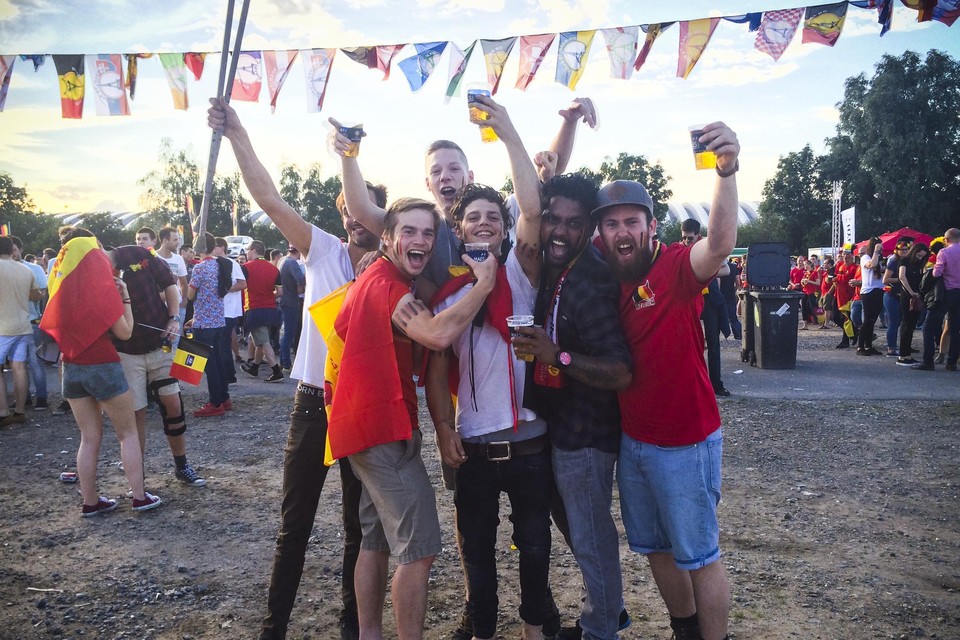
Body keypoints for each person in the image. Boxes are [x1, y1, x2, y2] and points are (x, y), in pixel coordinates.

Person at [209, 97, 387, 640]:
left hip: (365, 410)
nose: (357, 219)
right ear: (342, 213)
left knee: (359, 530)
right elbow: (268, 197)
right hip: (315, 402)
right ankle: (273, 629)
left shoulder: (398, 266)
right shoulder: (322, 251)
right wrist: (239, 134)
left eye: (368, 210)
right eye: (350, 210)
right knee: (295, 527)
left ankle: (351, 628)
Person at [593, 121, 740, 640]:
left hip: (686, 442)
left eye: (632, 221)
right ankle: (685, 629)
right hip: (633, 442)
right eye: (612, 225)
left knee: (700, 554)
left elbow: (720, 243)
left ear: (652, 227)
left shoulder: (677, 267)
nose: (622, 232)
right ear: (600, 234)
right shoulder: (605, 279)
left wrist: (725, 169)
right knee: (654, 548)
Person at [326, 197, 497, 640]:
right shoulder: (387, 286)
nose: (419, 240)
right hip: (382, 429)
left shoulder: (379, 277)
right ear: (388, 238)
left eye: (427, 233)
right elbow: (438, 333)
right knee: (418, 552)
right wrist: (483, 285)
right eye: (409, 231)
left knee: (375, 538)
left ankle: (369, 634)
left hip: (361, 427)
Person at [508, 173, 633, 640]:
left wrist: (554, 355)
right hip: (562, 430)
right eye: (552, 220)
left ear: (589, 229)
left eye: (573, 223)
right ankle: (606, 613)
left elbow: (620, 370)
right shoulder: (562, 273)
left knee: (592, 538)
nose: (560, 231)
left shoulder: (588, 282)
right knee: (581, 533)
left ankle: (602, 628)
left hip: (587, 437)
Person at [38, 229, 161, 515]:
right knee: (127, 433)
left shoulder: (60, 292)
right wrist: (126, 297)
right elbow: (125, 332)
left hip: (71, 366)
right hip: (103, 364)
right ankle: (140, 496)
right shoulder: (101, 291)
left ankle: (90, 502)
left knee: (88, 437)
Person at [106, 241, 205, 486]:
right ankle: (137, 476)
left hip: (160, 343)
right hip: (126, 352)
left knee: (172, 403)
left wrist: (174, 318)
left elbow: (170, 285)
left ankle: (182, 465)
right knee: (136, 413)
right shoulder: (91, 272)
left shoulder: (137, 254)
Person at [681, 219, 731, 396]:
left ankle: (716, 384)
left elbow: (726, 270)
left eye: (690, 238)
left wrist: (703, 270)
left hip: (709, 301)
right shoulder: (680, 251)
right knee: (688, 345)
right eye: (684, 238)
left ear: (698, 236)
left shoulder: (705, 250)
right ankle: (691, 384)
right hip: (689, 301)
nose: (687, 241)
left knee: (713, 345)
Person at [187, 232, 233, 417]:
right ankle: (224, 397)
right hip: (219, 320)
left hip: (203, 323)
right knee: (219, 361)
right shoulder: (220, 265)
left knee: (209, 364)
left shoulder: (200, 268)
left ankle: (215, 402)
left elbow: (190, 295)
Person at [0, 235, 40, 427]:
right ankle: (20, 411)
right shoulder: (25, 269)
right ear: (11, 250)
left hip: (2, 328)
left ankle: (3, 411)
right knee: (19, 368)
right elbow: (36, 295)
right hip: (23, 326)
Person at [9, 236, 49, 410]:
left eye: (14, 250)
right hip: (9, 324)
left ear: (21, 250)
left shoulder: (33, 268)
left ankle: (41, 397)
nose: (11, 254)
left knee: (35, 362)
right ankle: (23, 398)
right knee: (17, 364)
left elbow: (42, 292)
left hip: (31, 321)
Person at [914, 228, 960, 371]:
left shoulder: (944, 252)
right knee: (955, 328)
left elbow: (937, 272)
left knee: (929, 326)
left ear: (946, 240)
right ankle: (952, 362)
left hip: (946, 293)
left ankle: (928, 362)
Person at [239, 240, 284, 383]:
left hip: (254, 309)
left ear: (253, 250)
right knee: (258, 339)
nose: (246, 253)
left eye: (247, 250)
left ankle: (276, 370)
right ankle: (255, 367)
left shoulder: (245, 268)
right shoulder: (273, 269)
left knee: (263, 341)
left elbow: (240, 286)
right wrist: (269, 297)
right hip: (271, 309)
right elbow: (280, 291)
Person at [896, 243, 930, 367]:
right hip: (907, 296)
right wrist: (911, 292)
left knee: (911, 326)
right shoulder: (904, 261)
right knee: (906, 324)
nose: (920, 258)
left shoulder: (919, 264)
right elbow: (901, 276)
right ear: (914, 252)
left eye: (922, 257)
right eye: (919, 255)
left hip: (916, 295)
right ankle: (903, 355)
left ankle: (907, 354)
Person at [156, 226, 190, 345]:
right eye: (175, 240)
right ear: (165, 240)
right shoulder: (153, 257)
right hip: (159, 307)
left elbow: (183, 282)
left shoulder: (178, 259)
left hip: (177, 307)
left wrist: (184, 300)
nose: (178, 243)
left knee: (174, 341)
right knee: (161, 339)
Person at [882, 237, 913, 357]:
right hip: (892, 295)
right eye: (902, 250)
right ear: (897, 250)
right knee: (893, 323)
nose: (904, 252)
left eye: (906, 249)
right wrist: (900, 279)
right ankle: (891, 348)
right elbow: (886, 279)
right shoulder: (893, 262)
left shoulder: (908, 262)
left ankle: (902, 346)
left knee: (902, 322)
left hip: (903, 295)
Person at [278, 244, 305, 371]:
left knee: (286, 332)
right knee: (289, 333)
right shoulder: (292, 263)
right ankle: (286, 363)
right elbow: (301, 279)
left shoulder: (282, 260)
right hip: (292, 300)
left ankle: (283, 361)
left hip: (284, 299)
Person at [856, 238, 885, 356]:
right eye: (879, 246)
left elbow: (881, 270)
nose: (881, 248)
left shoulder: (880, 258)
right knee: (867, 320)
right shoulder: (865, 258)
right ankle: (860, 346)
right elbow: (872, 265)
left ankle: (869, 346)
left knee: (872, 320)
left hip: (878, 290)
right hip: (868, 291)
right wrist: (876, 252)